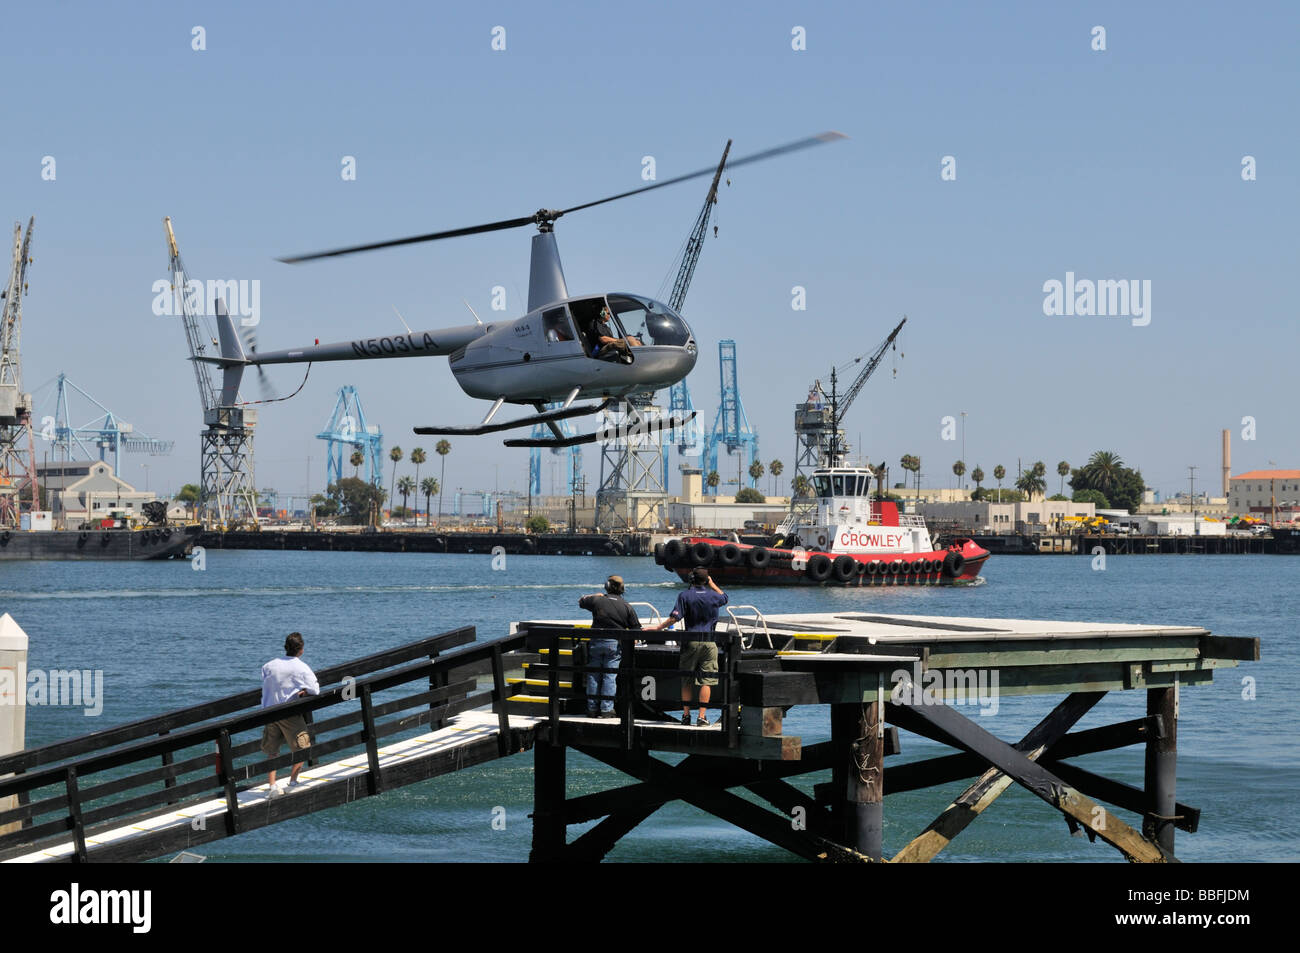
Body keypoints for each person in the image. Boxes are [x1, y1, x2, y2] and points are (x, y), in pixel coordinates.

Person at [648, 568, 728, 726]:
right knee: (707, 680)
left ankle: (686, 715)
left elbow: (674, 618)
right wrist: (712, 584)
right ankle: (702, 716)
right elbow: (724, 597)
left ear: (691, 579)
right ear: (706, 580)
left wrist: (657, 628)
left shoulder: (684, 595)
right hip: (709, 641)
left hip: (690, 640)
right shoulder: (714, 596)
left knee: (686, 679)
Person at [260, 631, 320, 796]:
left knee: (272, 750)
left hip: (269, 711)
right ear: (301, 649)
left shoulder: (269, 665)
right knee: (302, 747)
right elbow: (315, 689)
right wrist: (304, 692)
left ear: (286, 647)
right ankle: (293, 781)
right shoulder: (300, 667)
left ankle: (272, 786)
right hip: (288, 712)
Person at [578, 575, 641, 717]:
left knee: (593, 675)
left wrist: (596, 595)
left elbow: (581, 601)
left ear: (607, 585)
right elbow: (636, 629)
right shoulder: (626, 606)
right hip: (614, 644)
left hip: (596, 642)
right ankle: (606, 709)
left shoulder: (597, 600)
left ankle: (592, 708)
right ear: (622, 589)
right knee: (609, 676)